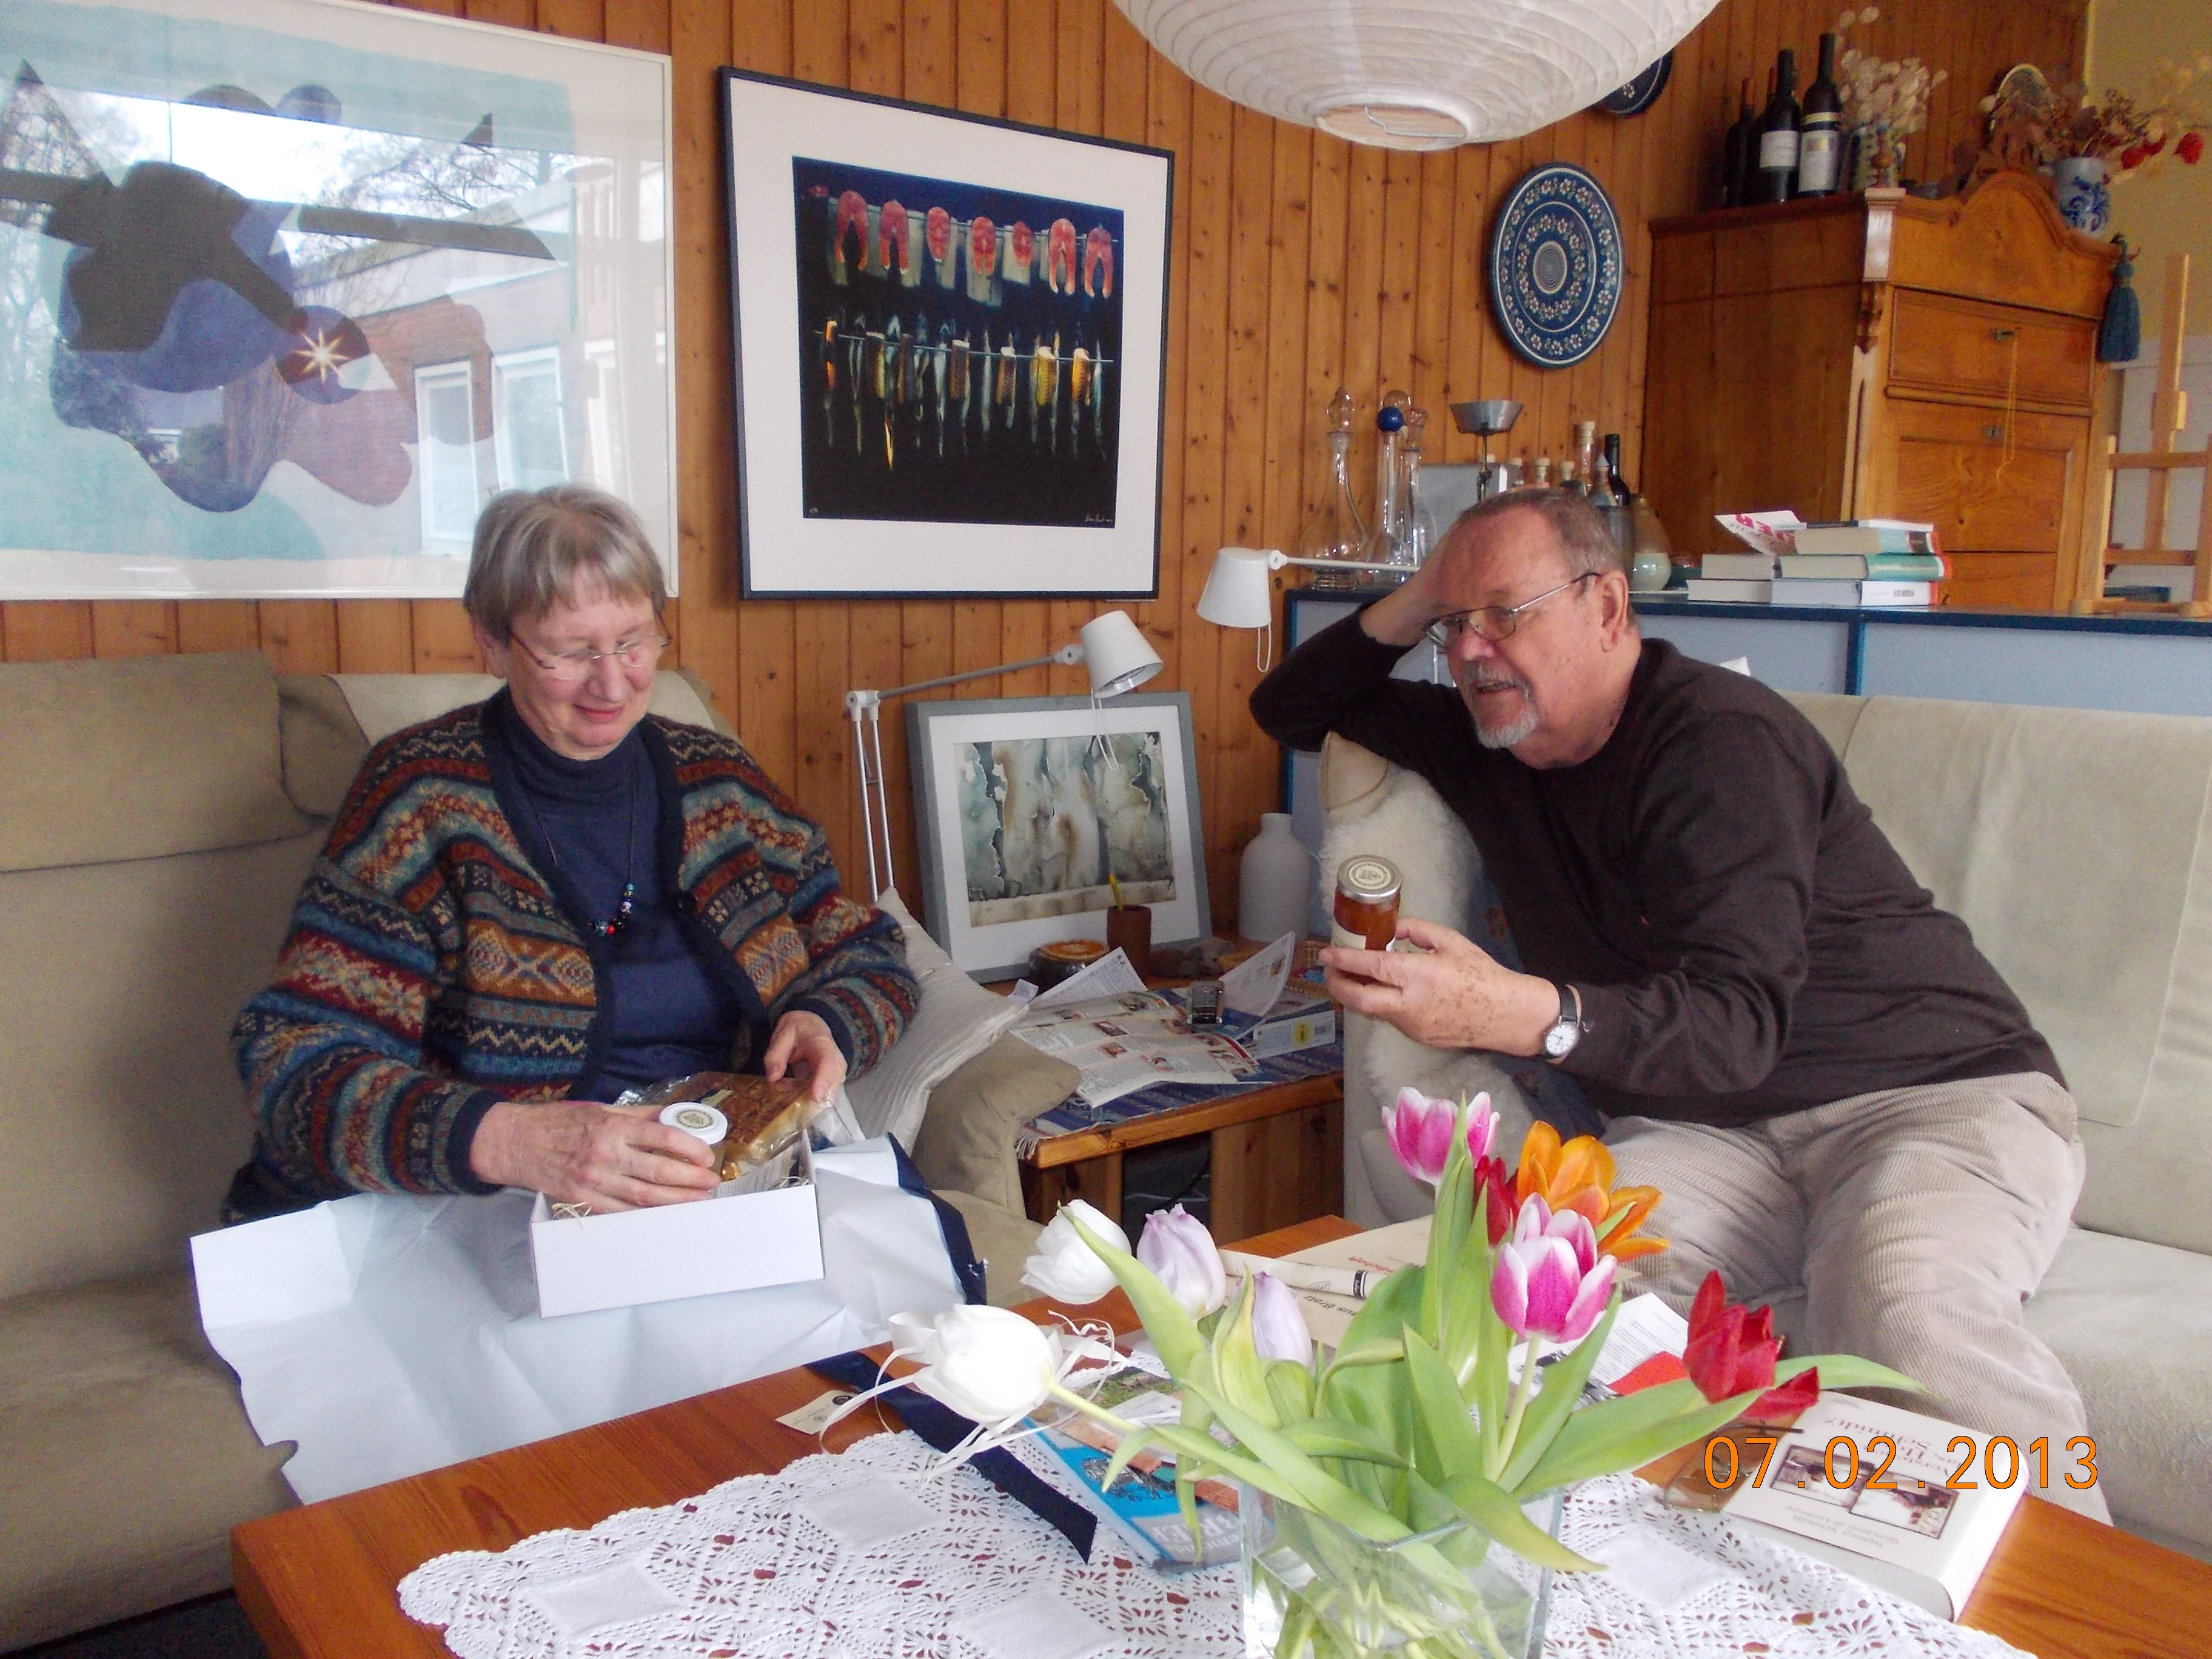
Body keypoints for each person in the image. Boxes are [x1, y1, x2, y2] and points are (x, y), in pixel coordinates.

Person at [1251, 488, 2105, 1518]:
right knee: (1542, 1285)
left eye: (1504, 613)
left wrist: (1510, 1009)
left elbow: (1738, 1029)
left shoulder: (1719, 743)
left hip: (1926, 1096)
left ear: (1606, 607)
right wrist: (1429, 588)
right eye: (1452, 626)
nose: (1470, 650)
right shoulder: (1492, 740)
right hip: (1714, 1131)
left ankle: (2086, 1615)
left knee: (1904, 1317)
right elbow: (1287, 708)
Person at [224, 486, 916, 1222]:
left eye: (633, 640)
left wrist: (827, 1021)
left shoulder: (722, 787)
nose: (612, 682)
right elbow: (290, 1058)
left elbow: (871, 953)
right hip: (501, 1209)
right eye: (571, 651)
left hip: (718, 1192)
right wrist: (506, 1140)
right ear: (492, 643)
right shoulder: (421, 802)